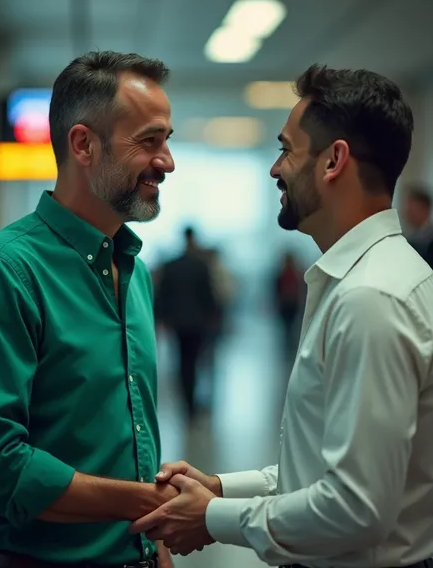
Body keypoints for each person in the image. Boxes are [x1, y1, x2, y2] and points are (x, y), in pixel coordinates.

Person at [130, 64, 433, 568]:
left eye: (286, 150)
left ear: (333, 160)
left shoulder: (371, 298)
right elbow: (321, 469)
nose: (276, 170)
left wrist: (213, 517)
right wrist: (219, 488)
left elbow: (356, 508)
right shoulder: (366, 280)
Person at [0, 51, 177, 568]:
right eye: (149, 141)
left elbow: (132, 432)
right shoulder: (5, 271)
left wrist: (155, 543)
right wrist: (150, 503)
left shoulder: (135, 271)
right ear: (83, 144)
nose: (167, 161)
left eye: (168, 140)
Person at [154, 227, 217, 420]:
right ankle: (192, 401)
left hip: (178, 322)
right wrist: (212, 317)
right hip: (197, 322)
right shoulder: (201, 265)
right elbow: (208, 295)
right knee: (195, 361)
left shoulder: (171, 266)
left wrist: (161, 318)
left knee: (182, 362)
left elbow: (162, 295)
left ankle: (187, 402)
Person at [402, 186, 433, 267]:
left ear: (424, 209)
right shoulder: (409, 238)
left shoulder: (429, 240)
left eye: (411, 208)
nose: (407, 212)